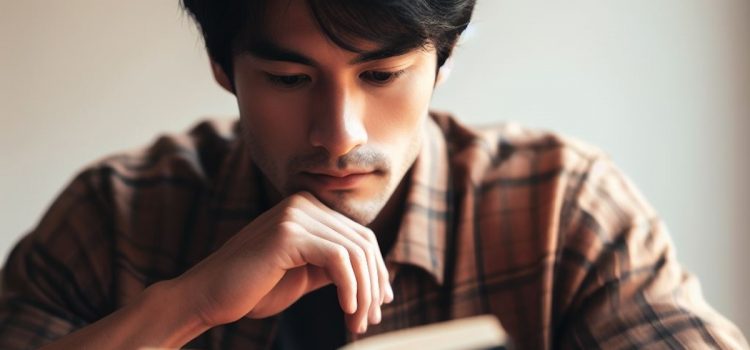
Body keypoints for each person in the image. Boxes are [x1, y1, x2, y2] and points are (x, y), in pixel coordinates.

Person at [0, 0, 747, 349]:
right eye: (291, 81)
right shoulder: (115, 216)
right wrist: (187, 308)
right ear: (224, 70)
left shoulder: (561, 206)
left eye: (383, 74)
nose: (340, 135)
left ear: (442, 63)